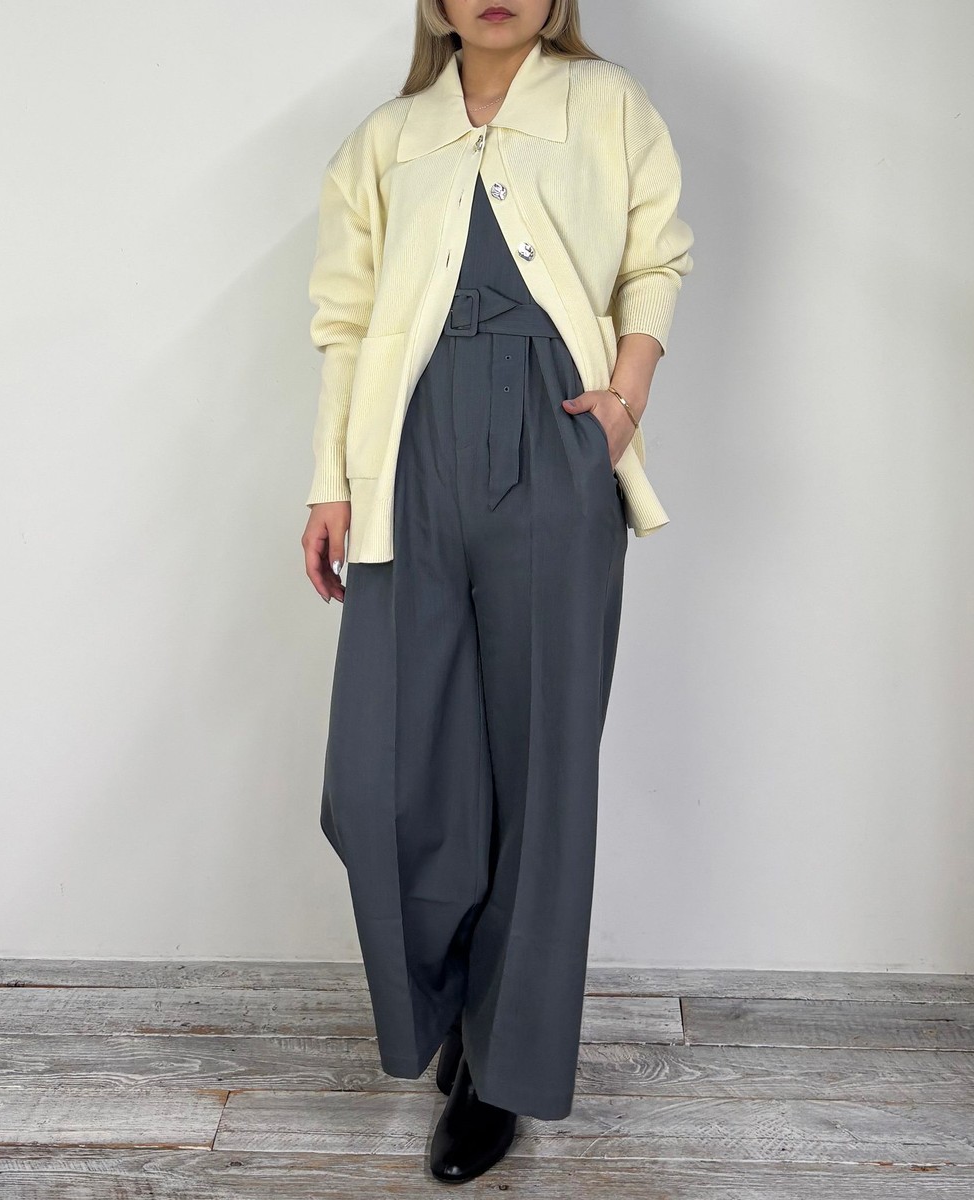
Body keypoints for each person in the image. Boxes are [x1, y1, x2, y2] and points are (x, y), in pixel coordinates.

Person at [301, 0, 694, 1184]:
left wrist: (620, 404)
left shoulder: (607, 105)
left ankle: (499, 1068)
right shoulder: (387, 138)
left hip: (556, 437)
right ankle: (460, 999)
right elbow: (343, 322)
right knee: (378, 781)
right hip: (409, 450)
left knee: (540, 769)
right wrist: (330, 484)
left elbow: (655, 258)